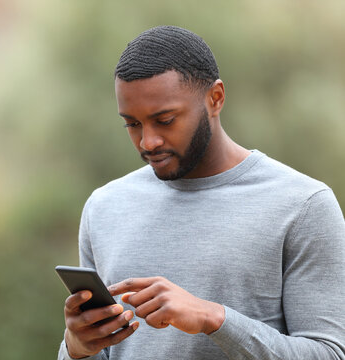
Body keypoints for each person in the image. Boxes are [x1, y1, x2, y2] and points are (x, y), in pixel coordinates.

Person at [57, 26, 345, 360]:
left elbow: (330, 354)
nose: (148, 142)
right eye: (132, 124)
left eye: (164, 120)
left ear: (215, 98)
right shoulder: (104, 208)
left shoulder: (303, 206)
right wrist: (77, 349)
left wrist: (214, 319)